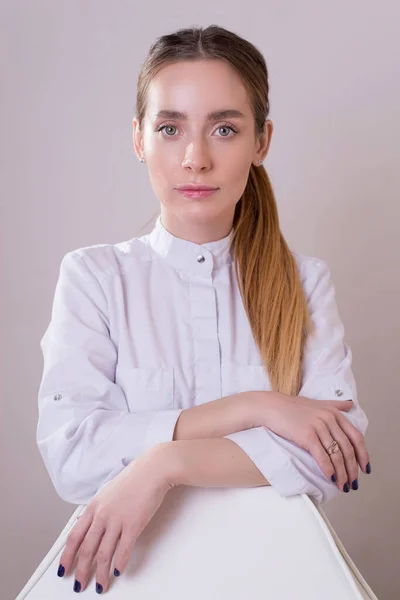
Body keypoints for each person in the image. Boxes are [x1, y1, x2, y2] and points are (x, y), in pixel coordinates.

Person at [36, 24, 372, 595]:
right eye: (170, 128)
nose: (196, 158)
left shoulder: (304, 283)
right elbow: (74, 453)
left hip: (280, 573)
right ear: (139, 138)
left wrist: (163, 465)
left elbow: (330, 458)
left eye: (224, 128)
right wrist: (260, 408)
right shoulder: (94, 277)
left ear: (261, 141)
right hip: (133, 574)